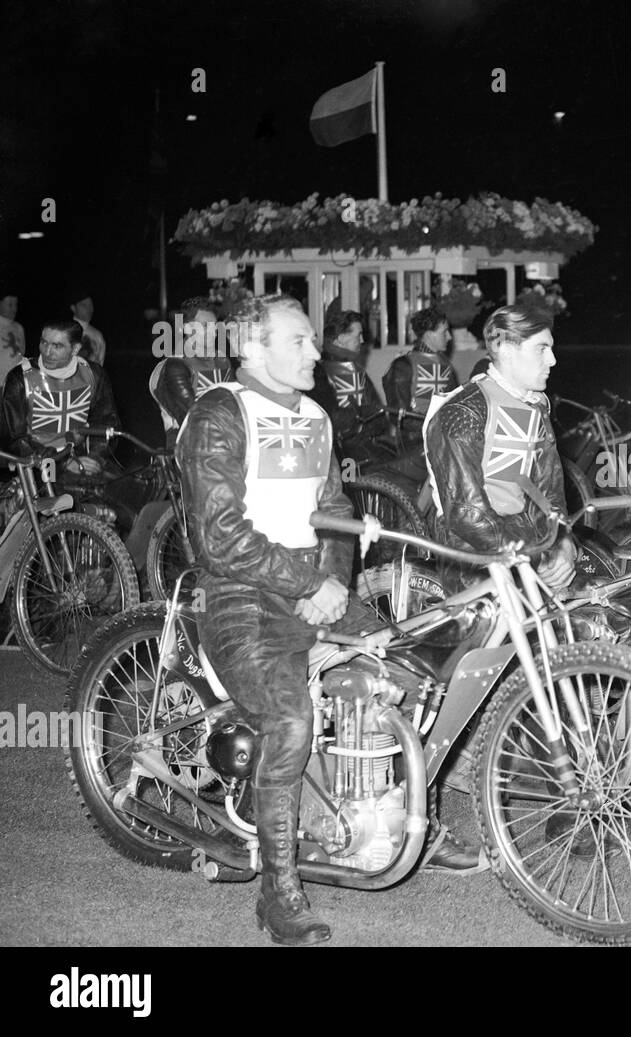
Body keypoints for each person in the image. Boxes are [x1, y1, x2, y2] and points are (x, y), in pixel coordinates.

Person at [175, 295, 481, 946]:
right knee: (290, 719)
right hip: (238, 599)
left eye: (315, 341)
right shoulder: (219, 414)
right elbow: (220, 536)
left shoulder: (315, 414)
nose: (317, 352)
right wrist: (309, 581)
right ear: (252, 347)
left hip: (310, 587)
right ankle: (278, 891)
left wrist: (336, 583)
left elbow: (334, 503)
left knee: (410, 669)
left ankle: (407, 822)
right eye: (299, 342)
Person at [423, 300, 577, 589]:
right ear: (506, 349)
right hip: (472, 554)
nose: (553, 360)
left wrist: (563, 541)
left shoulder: (531, 404)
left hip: (520, 543)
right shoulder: (462, 412)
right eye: (541, 348)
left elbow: (546, 490)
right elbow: (467, 513)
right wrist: (535, 559)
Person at [1, 318, 119, 477]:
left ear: (75, 348)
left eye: (57, 346)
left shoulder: (93, 374)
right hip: (35, 466)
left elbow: (106, 422)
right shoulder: (20, 378)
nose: (47, 352)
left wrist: (95, 458)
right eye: (44, 342)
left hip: (81, 459)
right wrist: (62, 463)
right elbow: (15, 439)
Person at [150, 297, 235, 445]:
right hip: (187, 443)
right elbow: (190, 415)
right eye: (205, 326)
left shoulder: (222, 360)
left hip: (225, 437)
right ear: (186, 328)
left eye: (215, 326)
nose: (213, 332)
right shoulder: (176, 365)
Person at [308, 308, 385, 462]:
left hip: (362, 448)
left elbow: (379, 415)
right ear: (341, 339)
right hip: (336, 454)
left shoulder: (355, 369)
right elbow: (329, 419)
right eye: (358, 335)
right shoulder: (318, 374)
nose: (362, 341)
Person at [384, 306, 458, 451]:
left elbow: (455, 403)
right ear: (429, 335)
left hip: (441, 440)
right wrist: (433, 427)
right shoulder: (403, 366)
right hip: (414, 443)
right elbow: (398, 415)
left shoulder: (446, 365)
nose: (449, 337)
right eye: (444, 332)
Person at [69, 293, 107, 366]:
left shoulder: (98, 335)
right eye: (84, 305)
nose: (89, 309)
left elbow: (100, 366)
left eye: (91, 305)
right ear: (73, 308)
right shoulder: (63, 331)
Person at [0, 292, 25, 390]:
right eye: (10, 304)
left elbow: (22, 353)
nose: (14, 309)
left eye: (15, 305)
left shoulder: (18, 328)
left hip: (16, 383)